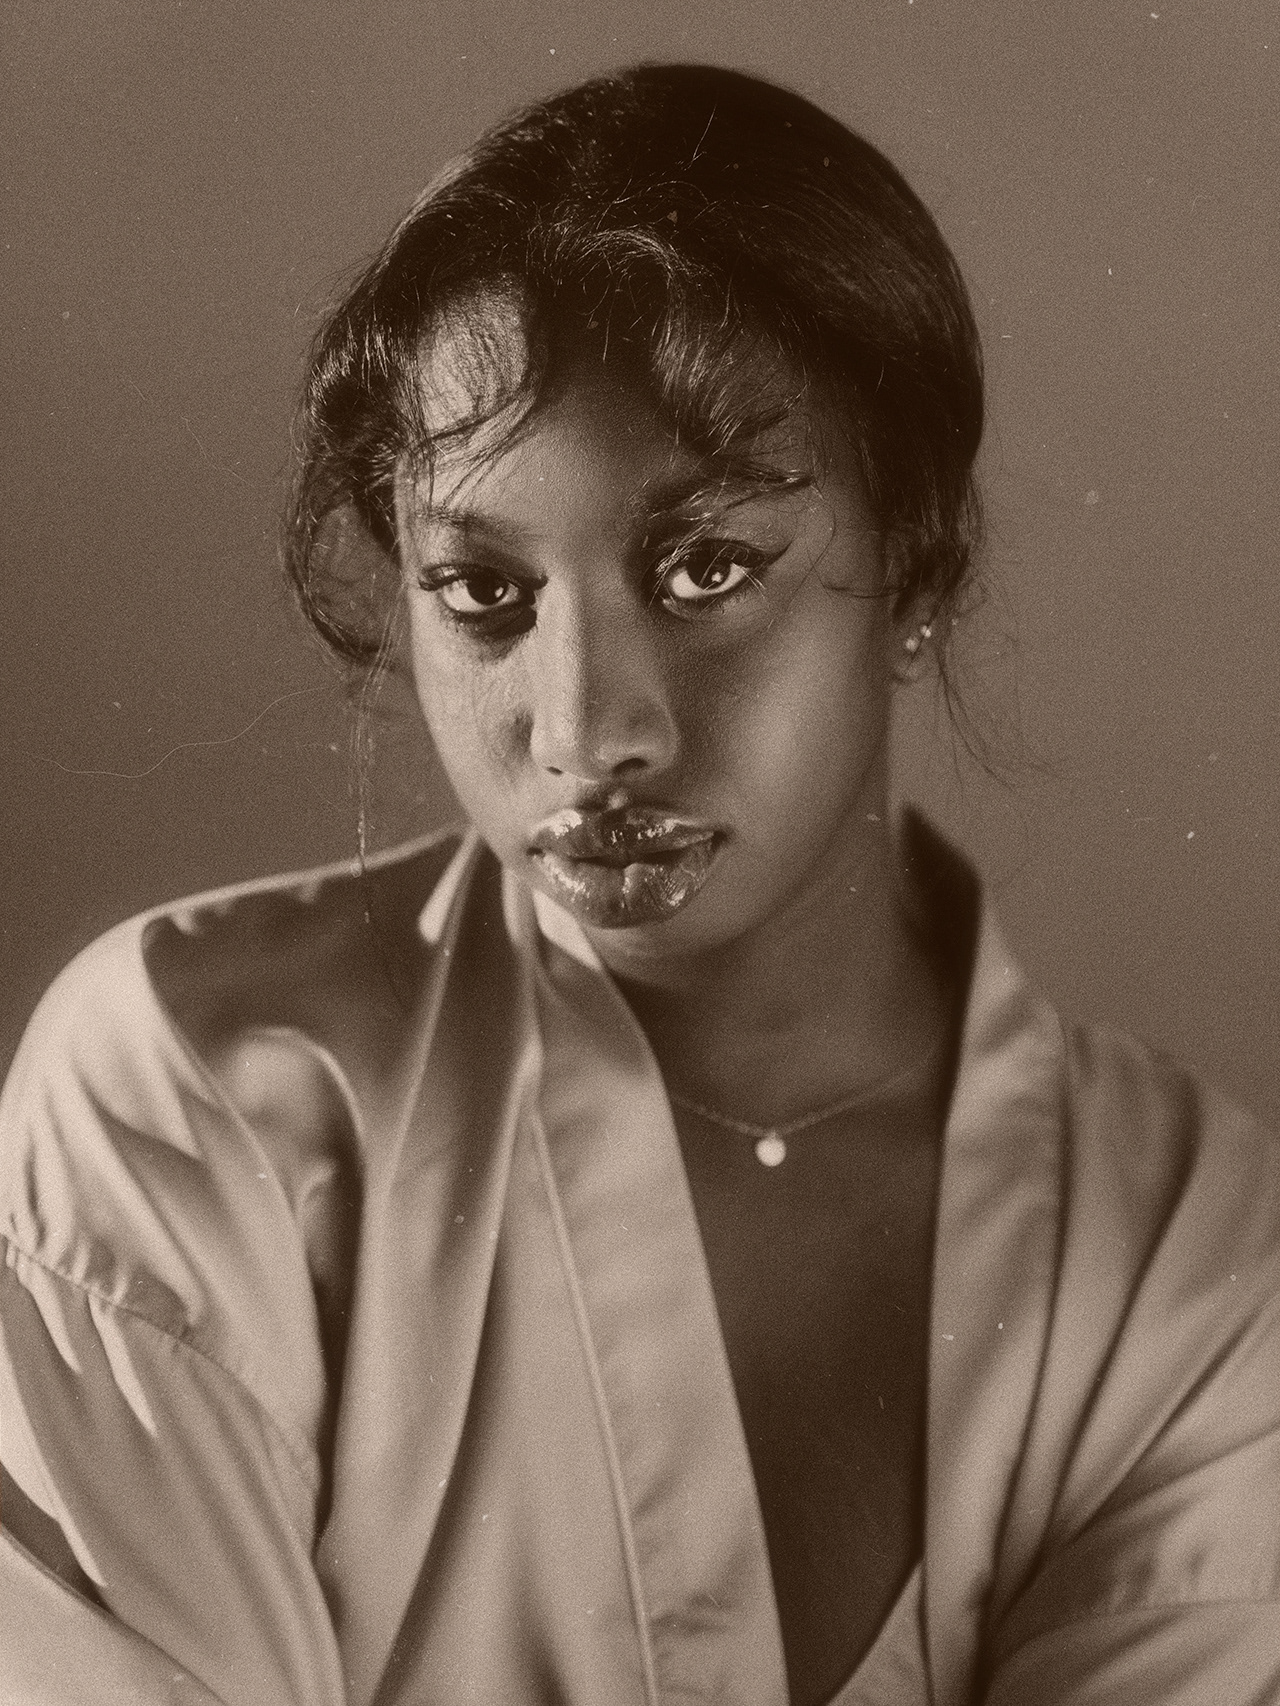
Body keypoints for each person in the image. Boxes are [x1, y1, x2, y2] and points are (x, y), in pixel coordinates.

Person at [1, 62, 1277, 1706]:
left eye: (705, 567)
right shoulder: (193, 1094)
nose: (586, 729)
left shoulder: (1188, 1245)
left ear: (918, 568)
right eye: (482, 590)